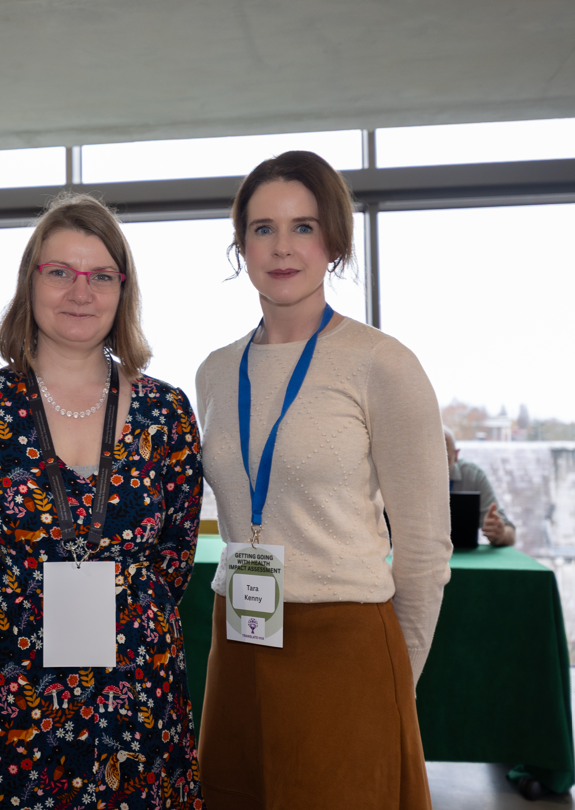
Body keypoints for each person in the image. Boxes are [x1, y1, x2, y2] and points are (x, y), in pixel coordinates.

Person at [195, 151, 452, 809]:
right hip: (240, 635)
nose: (282, 247)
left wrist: (393, 680)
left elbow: (423, 552)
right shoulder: (215, 374)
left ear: (333, 240)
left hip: (345, 647)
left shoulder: (381, 365)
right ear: (239, 243)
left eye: (303, 227)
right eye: (262, 228)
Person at [0, 193, 204, 810]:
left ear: (122, 288)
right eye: (60, 272)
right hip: (6, 692)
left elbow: (174, 557)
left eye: (100, 276)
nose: (80, 292)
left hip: (136, 693)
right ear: (30, 282)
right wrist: (23, 609)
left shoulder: (165, 412)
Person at [445, 426, 516, 546]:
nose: (435, 467)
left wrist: (499, 532)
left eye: (445, 459)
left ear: (456, 455)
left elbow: (509, 533)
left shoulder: (473, 475)